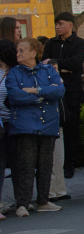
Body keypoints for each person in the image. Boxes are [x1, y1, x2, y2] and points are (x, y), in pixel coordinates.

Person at [7, 38, 65, 217]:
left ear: (34, 52)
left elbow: (59, 91)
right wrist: (44, 94)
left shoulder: (48, 70)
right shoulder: (14, 73)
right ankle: (22, 203)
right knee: (26, 164)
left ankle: (43, 200)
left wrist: (34, 91)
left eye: (23, 50)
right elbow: (15, 96)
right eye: (18, 50)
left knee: (45, 164)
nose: (18, 53)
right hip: (24, 125)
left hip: (48, 123)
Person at [42, 12, 84, 179]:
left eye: (61, 23)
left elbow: (76, 63)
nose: (57, 27)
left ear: (70, 25)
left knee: (71, 127)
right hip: (53, 90)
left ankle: (70, 164)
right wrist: (59, 66)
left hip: (72, 90)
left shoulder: (79, 43)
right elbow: (44, 63)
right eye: (56, 24)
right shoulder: (51, 43)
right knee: (56, 126)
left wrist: (55, 64)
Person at [0, 38, 16, 220]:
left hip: (13, 122)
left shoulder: (16, 72)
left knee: (17, 164)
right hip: (1, 123)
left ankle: (21, 201)